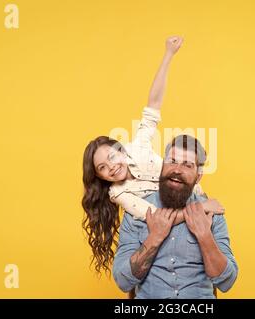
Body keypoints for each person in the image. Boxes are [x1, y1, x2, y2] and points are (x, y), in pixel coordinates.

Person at [82, 36, 224, 275]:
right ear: (100, 177)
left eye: (112, 158)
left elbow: (153, 104)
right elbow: (156, 218)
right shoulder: (118, 193)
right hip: (174, 220)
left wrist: (168, 54)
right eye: (102, 168)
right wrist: (200, 209)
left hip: (191, 199)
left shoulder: (138, 146)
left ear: (121, 150)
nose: (112, 168)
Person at [113, 135, 238, 298]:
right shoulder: (138, 212)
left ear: (198, 176)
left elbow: (226, 281)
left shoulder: (211, 213)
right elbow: (123, 281)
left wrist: (204, 236)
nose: (177, 169)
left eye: (187, 165)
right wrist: (155, 237)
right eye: (172, 161)